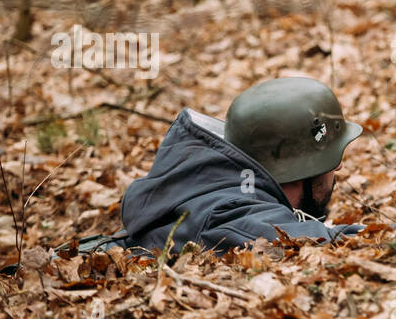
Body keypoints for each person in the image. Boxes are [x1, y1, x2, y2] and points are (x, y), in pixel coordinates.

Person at [118, 77, 366, 252]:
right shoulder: (226, 214)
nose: (338, 168)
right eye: (331, 159)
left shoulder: (217, 186)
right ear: (301, 168)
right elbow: (313, 240)